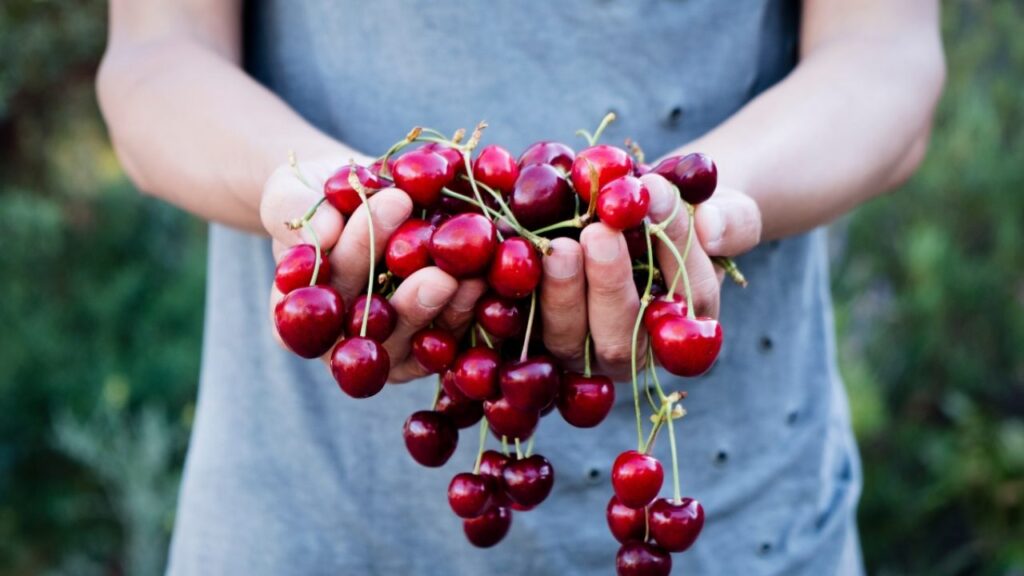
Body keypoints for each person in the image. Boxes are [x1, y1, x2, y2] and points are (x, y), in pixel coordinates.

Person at [97, 1, 945, 574]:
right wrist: (323, 198)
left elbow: (885, 52)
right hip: (302, 523)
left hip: (745, 522)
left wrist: (698, 211)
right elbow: (156, 57)